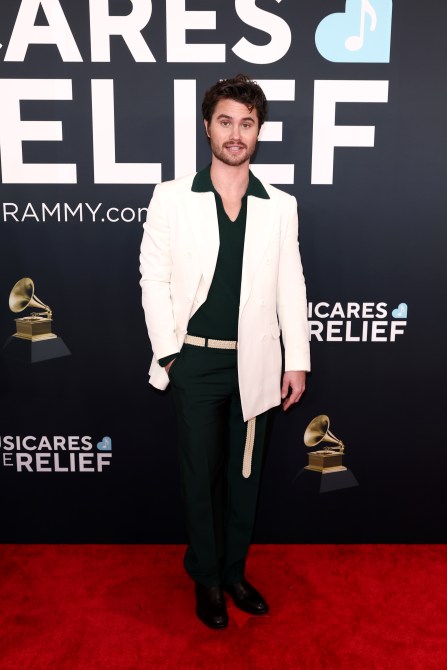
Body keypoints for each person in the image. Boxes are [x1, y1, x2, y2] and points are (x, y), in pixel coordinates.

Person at [140, 74, 310, 630]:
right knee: (200, 475)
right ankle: (206, 578)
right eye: (225, 121)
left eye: (247, 123)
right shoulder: (171, 197)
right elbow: (153, 279)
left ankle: (234, 572)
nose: (236, 133)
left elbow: (291, 284)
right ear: (207, 127)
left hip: (255, 362)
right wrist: (170, 355)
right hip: (194, 361)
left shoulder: (279, 206)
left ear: (258, 131)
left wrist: (296, 359)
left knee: (245, 474)